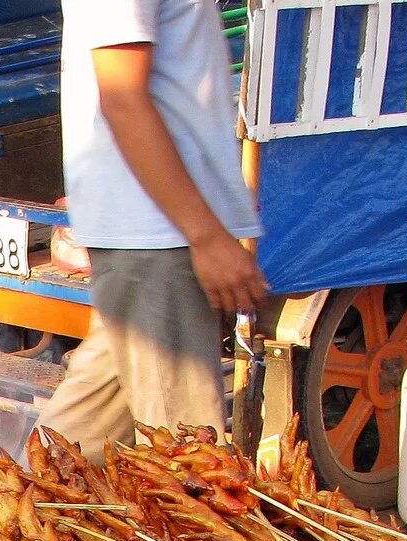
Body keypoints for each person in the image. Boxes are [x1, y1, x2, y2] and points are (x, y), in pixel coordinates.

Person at [36, 0, 269, 456]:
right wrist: (206, 236)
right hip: (157, 237)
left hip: (154, 241)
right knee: (191, 470)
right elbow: (123, 97)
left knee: (70, 453)